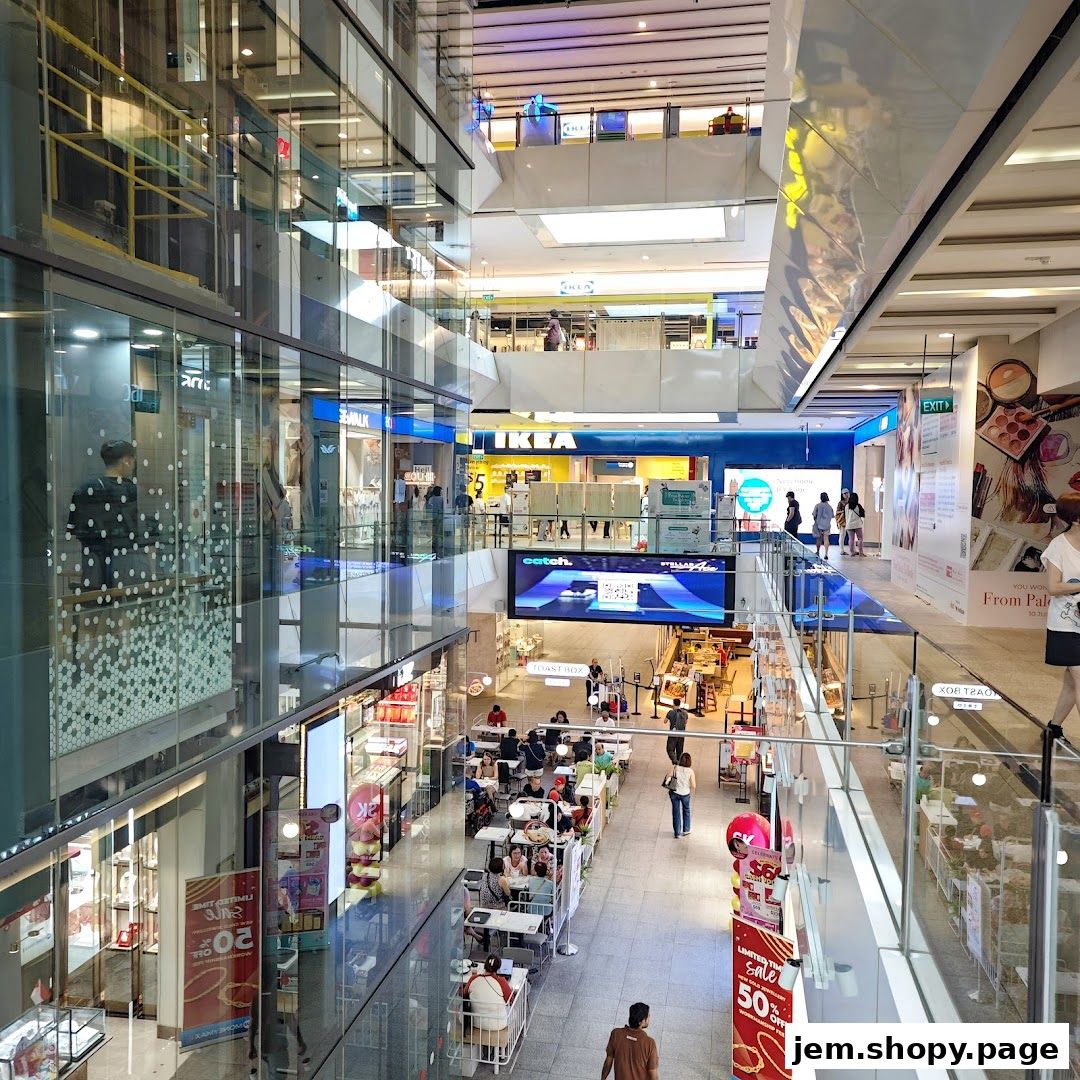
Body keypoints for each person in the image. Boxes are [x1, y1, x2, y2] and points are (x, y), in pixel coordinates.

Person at [68, 438, 160, 592]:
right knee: (128, 602)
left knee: (96, 601)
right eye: (133, 460)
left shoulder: (84, 490)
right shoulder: (134, 492)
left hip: (94, 565)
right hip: (129, 564)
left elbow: (75, 534)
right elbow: (147, 536)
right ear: (126, 461)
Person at [1042, 492, 1080, 733]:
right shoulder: (1058, 546)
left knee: (1072, 681)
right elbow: (1053, 587)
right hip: (1065, 624)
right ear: (1075, 519)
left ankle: (1053, 728)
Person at [602, 1002, 659, 1080]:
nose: (649, 1019)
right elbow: (653, 1075)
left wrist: (602, 1078)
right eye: (648, 1016)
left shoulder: (616, 1034)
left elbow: (608, 1061)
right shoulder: (649, 1043)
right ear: (642, 1021)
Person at [461, 954, 513, 1031]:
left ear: (484, 966)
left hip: (475, 1023)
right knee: (513, 1011)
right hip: (498, 1024)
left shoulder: (473, 979)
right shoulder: (501, 981)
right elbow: (510, 1000)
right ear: (498, 968)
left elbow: (464, 994)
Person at [668, 752, 696, 839]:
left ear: (680, 760)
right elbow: (694, 785)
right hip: (685, 794)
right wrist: (687, 785)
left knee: (676, 812)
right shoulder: (690, 771)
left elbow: (668, 776)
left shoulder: (675, 768)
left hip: (675, 793)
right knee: (686, 810)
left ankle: (677, 833)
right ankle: (686, 829)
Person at [665, 698, 688, 764]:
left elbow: (665, 721)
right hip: (681, 734)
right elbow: (686, 722)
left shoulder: (671, 712)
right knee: (679, 751)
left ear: (673, 704)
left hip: (673, 734)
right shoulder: (685, 713)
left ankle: (675, 761)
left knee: (670, 750)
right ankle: (679, 764)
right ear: (679, 704)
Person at [812, 492, 833, 558]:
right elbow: (832, 516)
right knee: (826, 539)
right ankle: (826, 554)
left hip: (818, 524)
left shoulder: (818, 505)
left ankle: (818, 552)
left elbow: (814, 514)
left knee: (818, 539)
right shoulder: (830, 507)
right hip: (827, 525)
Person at [845, 491, 865, 556]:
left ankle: (851, 552)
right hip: (857, 525)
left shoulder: (847, 506)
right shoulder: (858, 506)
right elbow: (862, 514)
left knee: (851, 539)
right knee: (860, 538)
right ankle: (861, 553)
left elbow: (846, 515)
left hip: (849, 525)